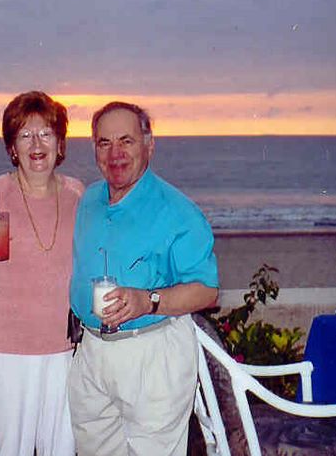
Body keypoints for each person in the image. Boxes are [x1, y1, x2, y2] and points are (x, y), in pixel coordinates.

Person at [68, 101, 219, 456]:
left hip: (152, 353)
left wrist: (147, 300)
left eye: (127, 141)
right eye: (104, 143)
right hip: (91, 352)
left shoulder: (178, 211)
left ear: (149, 145)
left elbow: (207, 290)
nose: (115, 153)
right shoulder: (89, 199)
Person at [0, 91, 84, 456]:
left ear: (60, 143)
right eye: (25, 135)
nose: (36, 144)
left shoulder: (77, 195)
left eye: (46, 133)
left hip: (65, 347)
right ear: (12, 148)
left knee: (63, 448)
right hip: (7, 348)